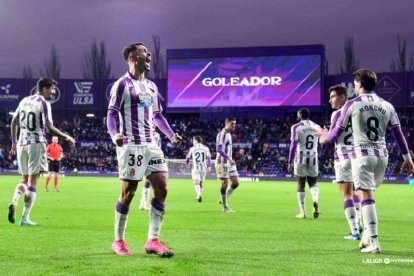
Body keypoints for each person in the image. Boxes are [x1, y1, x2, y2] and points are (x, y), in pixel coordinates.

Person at [318, 69, 414, 253]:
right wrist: (407, 159)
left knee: (366, 198)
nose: (354, 86)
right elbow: (399, 134)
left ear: (359, 84)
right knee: (367, 196)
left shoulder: (352, 104)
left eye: (355, 83)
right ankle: (366, 235)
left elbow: (334, 135)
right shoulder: (387, 105)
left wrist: (323, 135)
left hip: (362, 156)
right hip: (382, 157)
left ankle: (375, 243)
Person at [107, 42, 182, 257]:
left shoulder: (151, 86)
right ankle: (118, 241)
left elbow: (157, 115)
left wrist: (170, 134)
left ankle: (153, 240)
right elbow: (111, 113)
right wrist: (114, 136)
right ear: (132, 57)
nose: (148, 54)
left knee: (162, 188)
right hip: (131, 145)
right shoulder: (121, 85)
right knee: (128, 193)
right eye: (143, 51)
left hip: (152, 145)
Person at [8, 77, 76, 226]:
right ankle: (24, 219)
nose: (53, 92)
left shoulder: (24, 100)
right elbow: (49, 128)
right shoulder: (44, 104)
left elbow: (13, 122)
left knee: (24, 181)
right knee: (32, 183)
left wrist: (13, 142)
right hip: (36, 145)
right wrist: (66, 136)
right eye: (52, 89)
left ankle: (14, 201)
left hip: (21, 145)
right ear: (44, 88)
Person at [326, 85, 361, 239]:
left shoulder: (336, 114)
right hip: (357, 157)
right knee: (355, 192)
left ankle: (354, 231)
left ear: (343, 97)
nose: (330, 100)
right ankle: (359, 222)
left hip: (342, 158)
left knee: (346, 195)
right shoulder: (357, 112)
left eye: (333, 96)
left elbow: (332, 136)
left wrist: (323, 133)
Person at [287, 108, 321, 219]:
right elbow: (322, 142)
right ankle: (315, 200)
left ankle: (303, 212)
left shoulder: (296, 127)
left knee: (301, 184)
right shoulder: (316, 126)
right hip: (313, 157)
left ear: (299, 115)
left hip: (300, 157)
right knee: (313, 184)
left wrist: (289, 161)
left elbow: (293, 145)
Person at [216, 117, 239, 212]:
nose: (234, 126)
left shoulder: (229, 135)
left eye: (235, 124)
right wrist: (229, 158)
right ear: (227, 123)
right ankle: (225, 207)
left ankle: (223, 199)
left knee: (235, 183)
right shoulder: (222, 134)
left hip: (229, 162)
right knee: (225, 183)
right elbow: (218, 149)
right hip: (222, 161)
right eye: (232, 124)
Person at [139, 130, 161, 211]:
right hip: (149, 157)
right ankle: (145, 204)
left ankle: (142, 203)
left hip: (151, 157)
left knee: (149, 181)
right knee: (148, 181)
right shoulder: (154, 134)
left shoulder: (151, 133)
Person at [185, 135, 212, 202]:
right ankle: (199, 195)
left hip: (195, 168)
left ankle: (199, 194)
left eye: (193, 140)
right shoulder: (206, 148)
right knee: (201, 183)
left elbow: (188, 157)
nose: (193, 142)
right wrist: (209, 166)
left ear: (196, 141)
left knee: (196, 182)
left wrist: (187, 163)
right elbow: (209, 158)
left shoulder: (192, 148)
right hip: (203, 168)